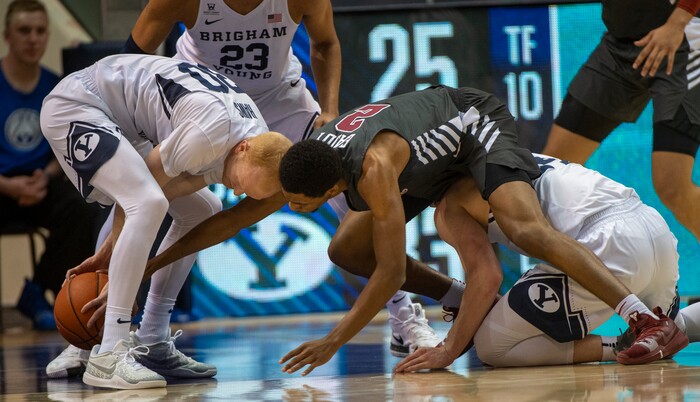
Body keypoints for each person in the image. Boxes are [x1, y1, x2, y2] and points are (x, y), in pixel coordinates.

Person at [276, 85, 688, 375]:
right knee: (347, 246)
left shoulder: (404, 182)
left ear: (332, 187)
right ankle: (655, 321)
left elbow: (402, 273)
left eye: (299, 203)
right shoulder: (319, 153)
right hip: (652, 231)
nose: (292, 207)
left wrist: (448, 347)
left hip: (480, 123)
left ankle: (637, 321)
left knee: (499, 324)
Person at [109, 0, 437, 360]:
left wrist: (329, 109)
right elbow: (127, 60)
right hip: (203, 104)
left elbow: (325, 43)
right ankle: (107, 336)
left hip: (280, 100)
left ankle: (404, 317)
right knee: (139, 197)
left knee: (346, 191)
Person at [40, 53, 291, 389]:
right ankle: (107, 352)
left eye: (248, 193)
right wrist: (111, 258)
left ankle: (153, 339)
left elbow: (176, 186)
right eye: (243, 183)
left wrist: (116, 256)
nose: (240, 190)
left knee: (203, 208)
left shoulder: (252, 140)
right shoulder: (211, 134)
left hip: (123, 123)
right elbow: (139, 195)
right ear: (244, 149)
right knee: (146, 201)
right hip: (79, 105)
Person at [395, 154, 698, 372]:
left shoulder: (449, 206)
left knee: (491, 345)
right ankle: (661, 330)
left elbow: (486, 278)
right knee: (667, 327)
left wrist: (448, 349)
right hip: (654, 229)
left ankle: (618, 345)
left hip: (608, 245)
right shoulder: (510, 153)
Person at [542, 0, 700, 241]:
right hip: (621, 41)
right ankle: (574, 267)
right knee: (553, 171)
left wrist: (677, 23)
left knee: (672, 185)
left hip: (683, 37)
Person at [0, 0, 97, 331]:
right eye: (24, 31)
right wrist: (7, 185)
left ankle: (39, 291)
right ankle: (34, 294)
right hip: (2, 186)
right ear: (7, 36)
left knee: (84, 204)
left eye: (40, 31)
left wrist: (47, 175)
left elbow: (66, 146)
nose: (33, 39)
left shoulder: (57, 87)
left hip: (41, 183)